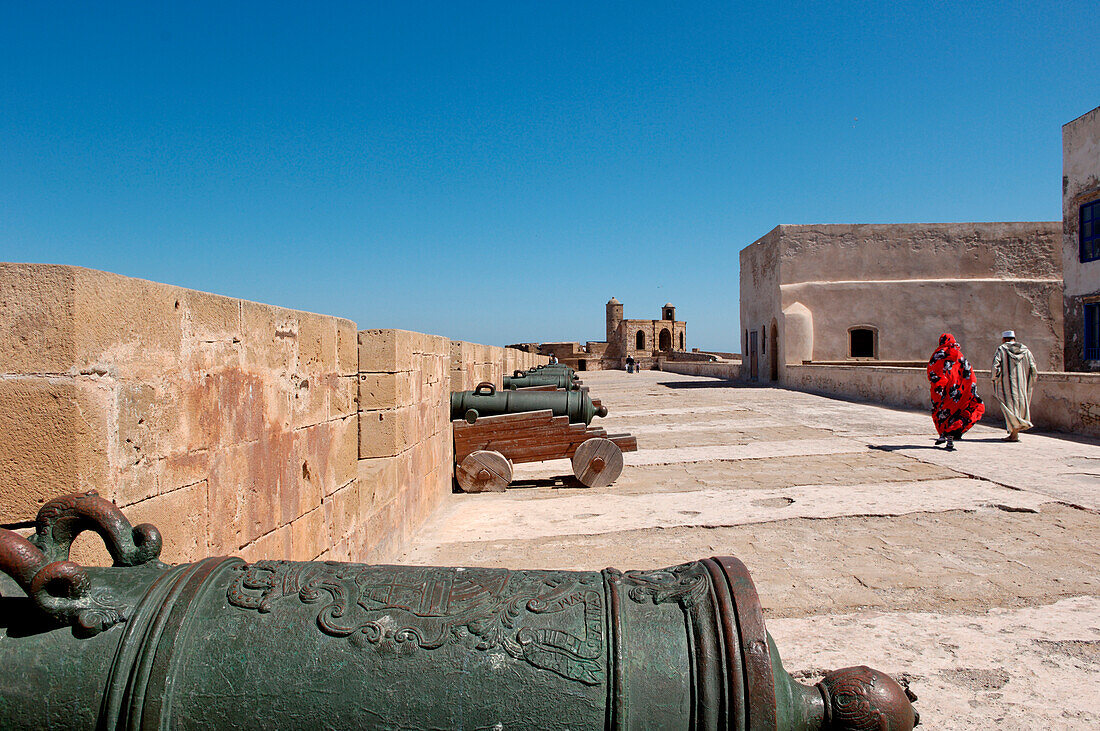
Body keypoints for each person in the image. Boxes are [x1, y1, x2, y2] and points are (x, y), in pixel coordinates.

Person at [927, 333, 985, 451]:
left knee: (941, 413)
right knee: (955, 414)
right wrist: (970, 390)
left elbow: (934, 372)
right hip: (958, 394)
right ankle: (949, 440)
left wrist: (939, 387)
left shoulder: (939, 354)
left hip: (944, 392)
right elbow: (969, 374)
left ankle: (943, 435)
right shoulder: (959, 355)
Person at [991, 330, 1038, 442]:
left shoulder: (1002, 349)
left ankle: (1018, 427)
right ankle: (1014, 434)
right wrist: (1030, 380)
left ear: (1004, 339)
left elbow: (995, 366)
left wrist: (995, 379)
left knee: (1008, 407)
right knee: (1019, 407)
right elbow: (1033, 368)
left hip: (1006, 384)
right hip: (1021, 385)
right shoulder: (1026, 350)